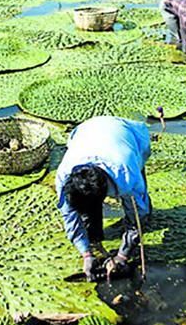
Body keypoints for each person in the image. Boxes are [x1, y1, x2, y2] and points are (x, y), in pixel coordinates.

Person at [55, 116, 151, 281]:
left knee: (142, 209)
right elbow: (70, 217)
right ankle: (94, 240)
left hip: (125, 134)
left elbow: (137, 215)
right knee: (86, 212)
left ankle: (127, 240)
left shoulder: (128, 175)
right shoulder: (65, 178)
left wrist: (122, 256)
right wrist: (86, 254)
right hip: (87, 131)